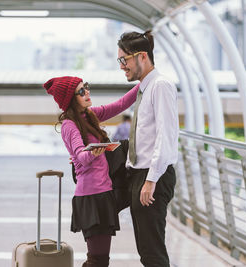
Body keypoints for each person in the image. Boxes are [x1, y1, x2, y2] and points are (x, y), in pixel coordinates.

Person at [43, 76, 139, 267]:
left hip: (103, 193)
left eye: (85, 87)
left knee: (100, 260)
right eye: (80, 91)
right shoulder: (69, 125)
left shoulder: (90, 115)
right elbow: (81, 156)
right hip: (91, 197)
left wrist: (144, 81)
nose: (87, 92)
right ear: (70, 99)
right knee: (98, 261)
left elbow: (120, 104)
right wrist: (95, 151)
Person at [117, 30, 179, 267]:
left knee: (152, 252)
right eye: (120, 60)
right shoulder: (145, 87)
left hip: (152, 176)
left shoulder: (160, 86)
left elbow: (166, 136)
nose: (122, 66)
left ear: (142, 56)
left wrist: (151, 180)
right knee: (146, 250)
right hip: (139, 174)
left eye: (125, 59)